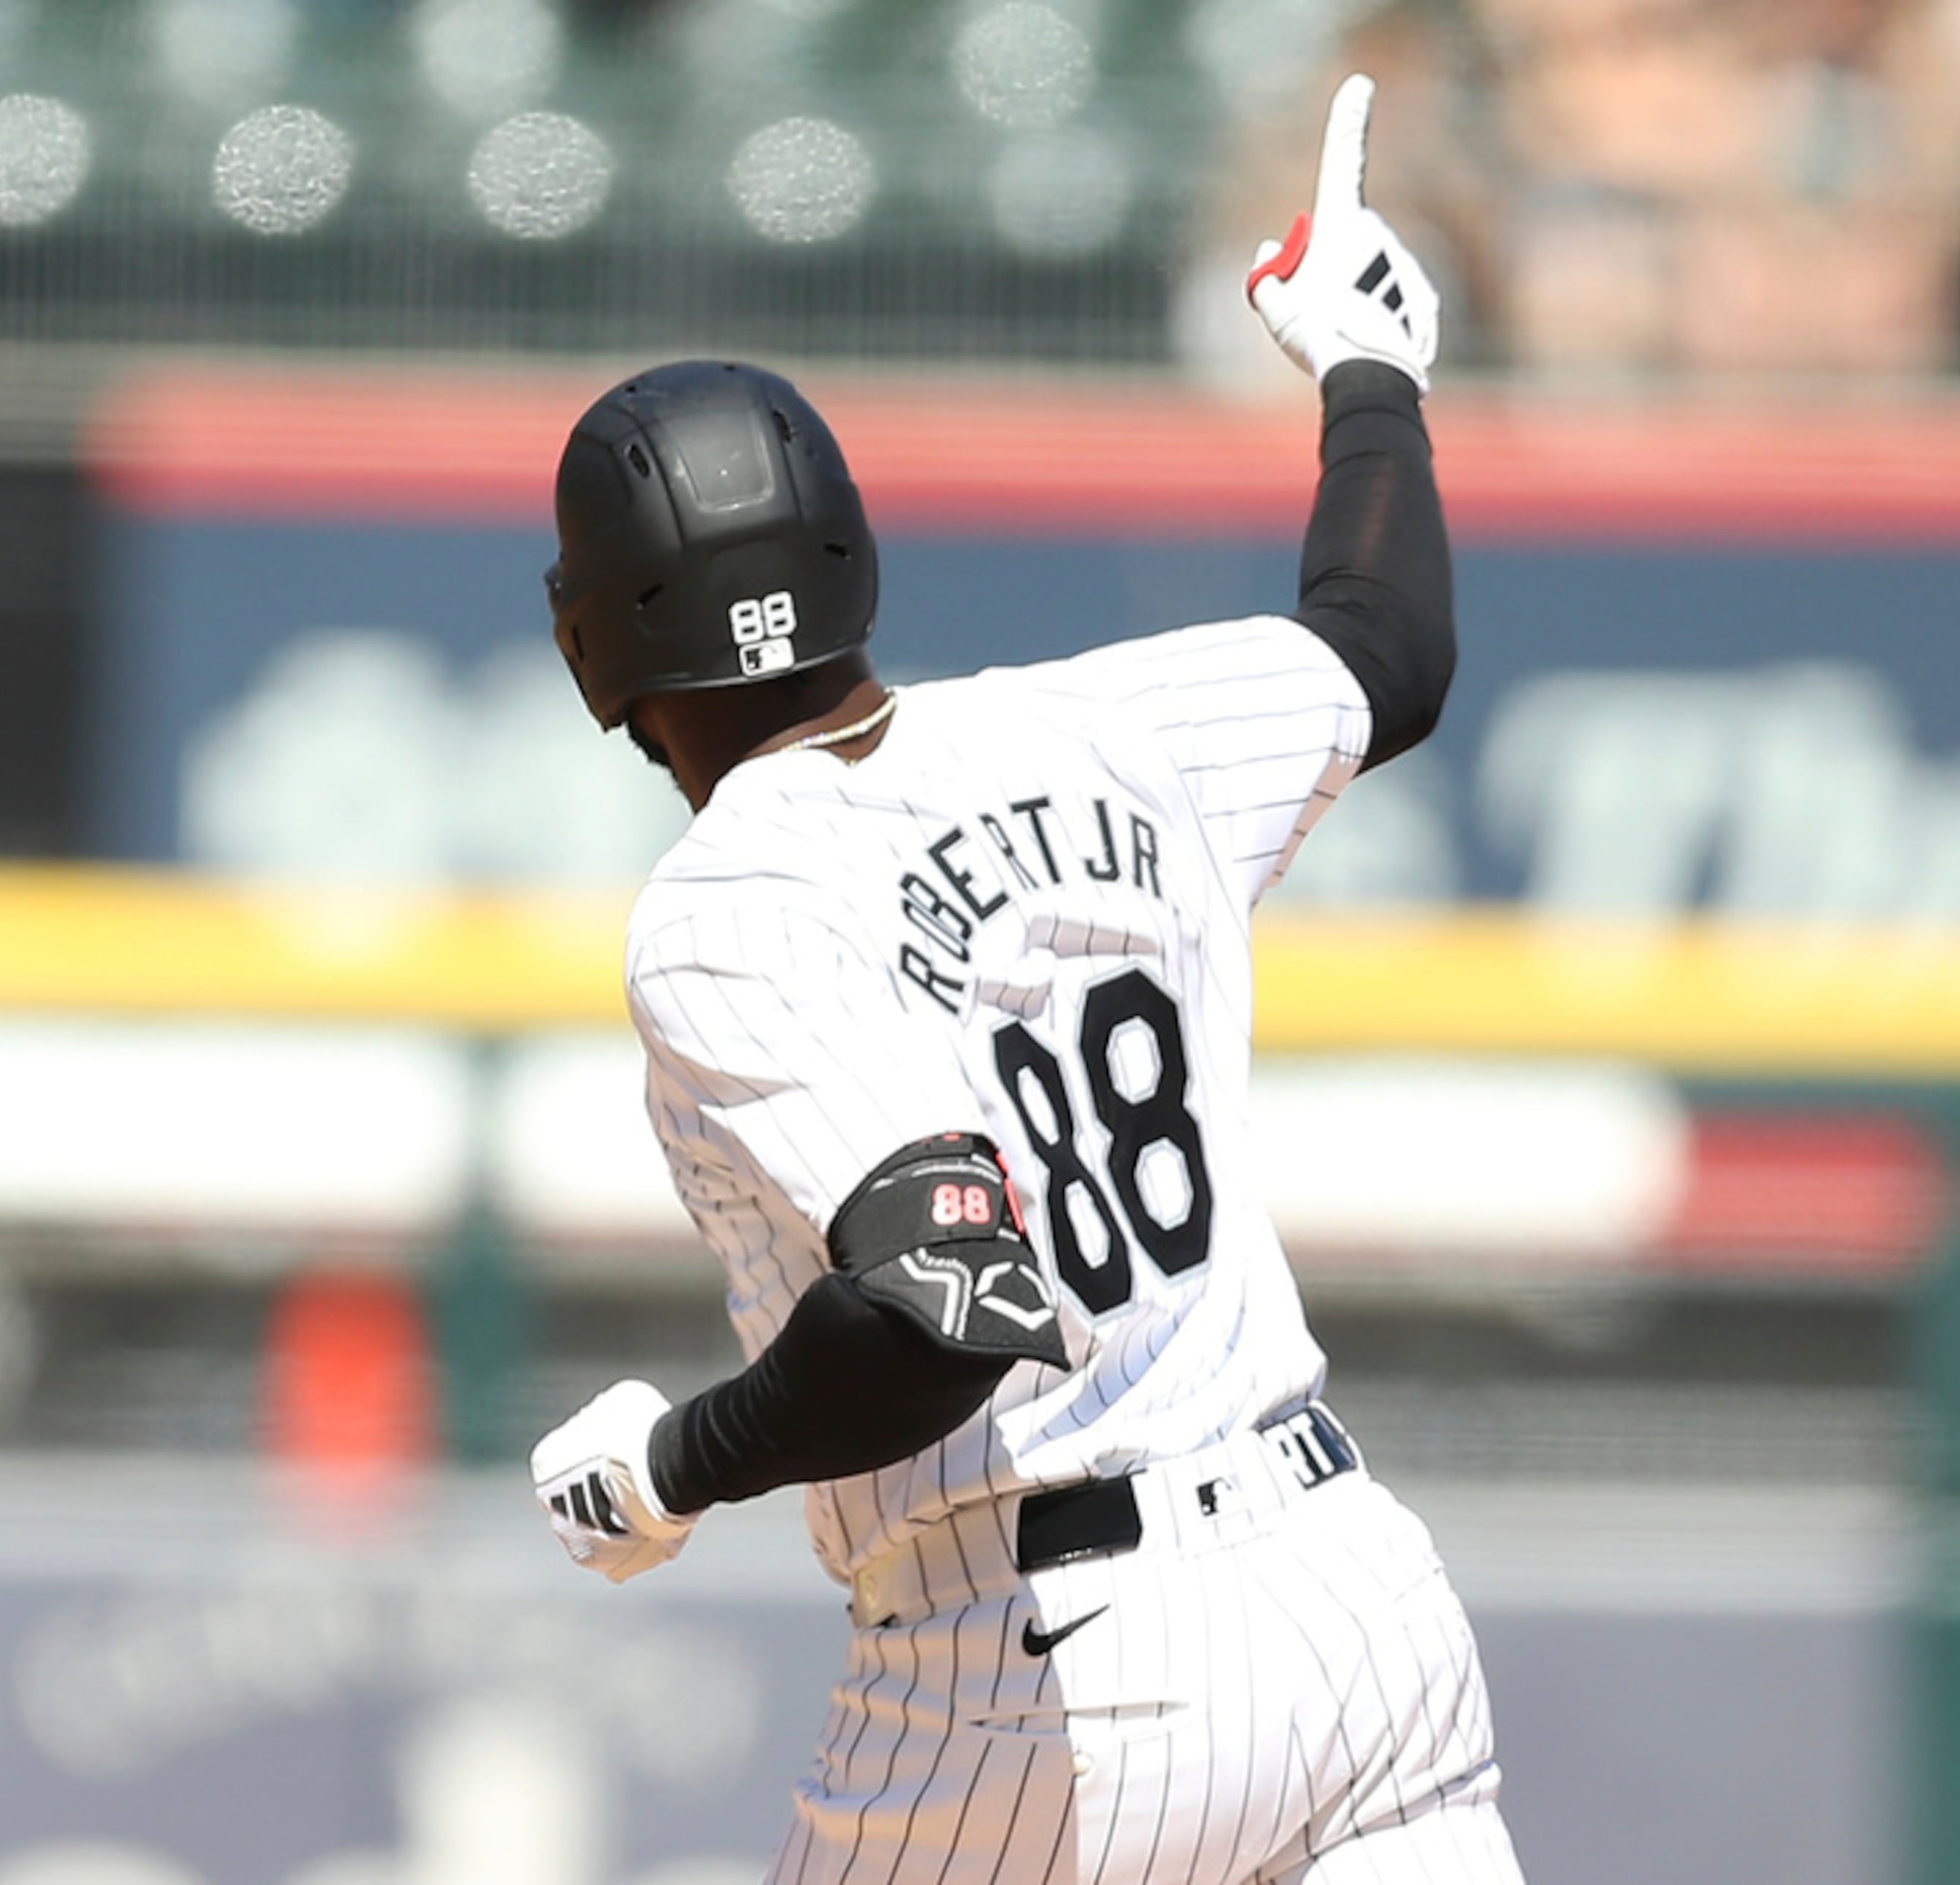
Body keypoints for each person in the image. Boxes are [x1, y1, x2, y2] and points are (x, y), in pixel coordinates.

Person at [529, 74, 1526, 1885]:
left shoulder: (727, 896)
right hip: (1349, 1594)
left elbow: (950, 1307)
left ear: (597, 650)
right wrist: (1369, 372)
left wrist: (671, 1467)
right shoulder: (1107, 725)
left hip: (1054, 1672)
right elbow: (1392, 645)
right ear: (845, 552)